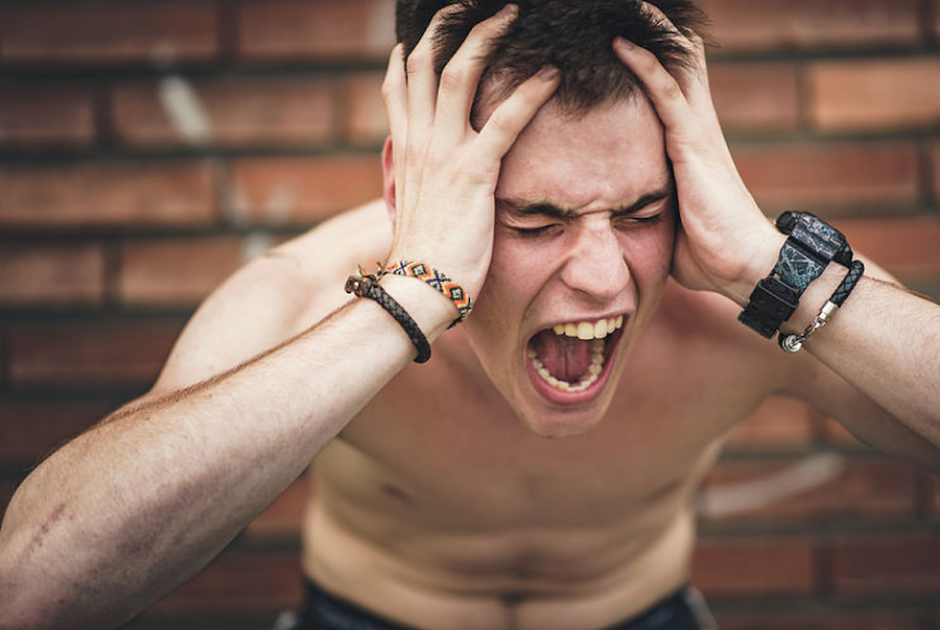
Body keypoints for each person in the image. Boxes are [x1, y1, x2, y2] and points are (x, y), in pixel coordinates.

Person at [1, 1, 938, 629]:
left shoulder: (754, 299)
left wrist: (774, 272)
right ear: (417, 194)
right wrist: (411, 293)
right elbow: (37, 584)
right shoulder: (310, 291)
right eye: (534, 219)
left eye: (644, 212)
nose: (606, 277)